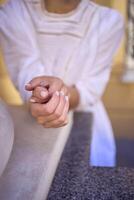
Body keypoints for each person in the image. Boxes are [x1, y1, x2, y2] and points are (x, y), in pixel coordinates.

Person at [0, 0, 124, 166]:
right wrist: (43, 94)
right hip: (34, 128)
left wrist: (59, 94)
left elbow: (90, 89)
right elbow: (26, 70)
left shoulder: (109, 21)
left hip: (88, 129)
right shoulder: (14, 13)